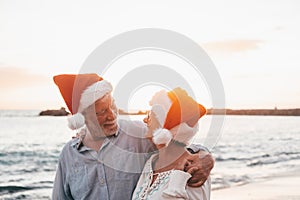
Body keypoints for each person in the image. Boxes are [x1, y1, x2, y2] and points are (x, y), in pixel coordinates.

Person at [52, 73, 214, 200]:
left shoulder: (138, 134)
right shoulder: (68, 155)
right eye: (101, 112)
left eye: (112, 105)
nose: (112, 115)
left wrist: (205, 157)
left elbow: (175, 142)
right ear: (82, 117)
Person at [132, 88, 211, 199]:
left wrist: (178, 182)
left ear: (163, 126)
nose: (145, 120)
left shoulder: (193, 170)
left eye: (150, 115)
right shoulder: (151, 163)